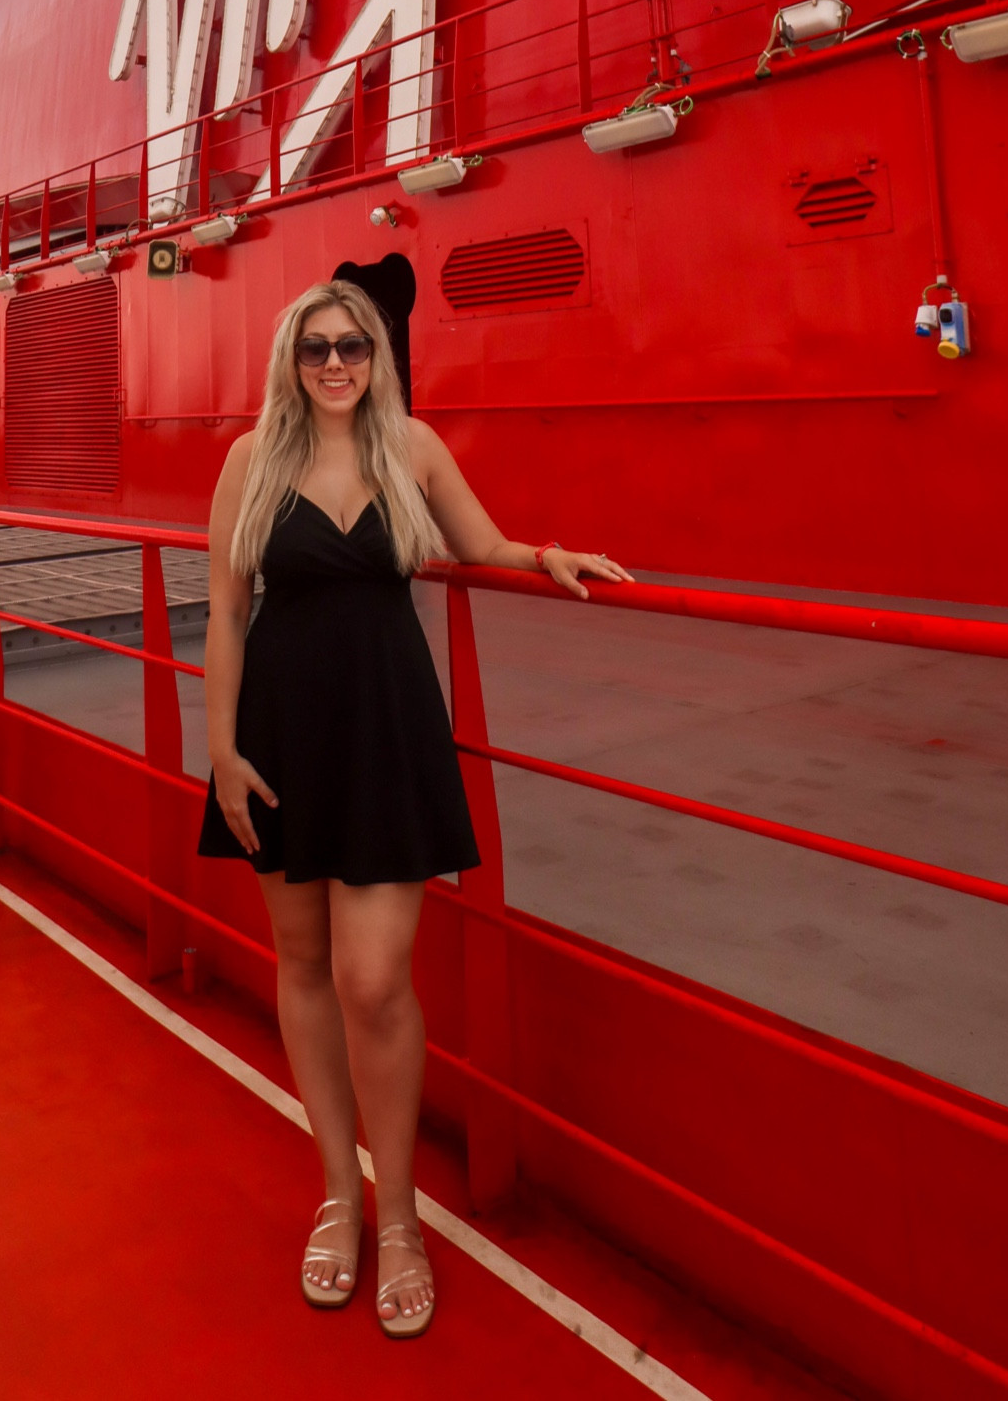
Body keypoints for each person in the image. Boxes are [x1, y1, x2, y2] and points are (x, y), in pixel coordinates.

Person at [197, 280, 632, 1338]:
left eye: (352, 345)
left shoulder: (413, 448)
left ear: (378, 355)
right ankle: (339, 1199)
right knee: (301, 966)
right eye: (315, 348)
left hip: (387, 734)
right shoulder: (250, 461)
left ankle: (399, 1215)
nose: (335, 363)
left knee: (371, 977)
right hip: (281, 738)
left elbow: (480, 546)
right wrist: (219, 752)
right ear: (288, 358)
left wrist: (545, 556)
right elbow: (224, 611)